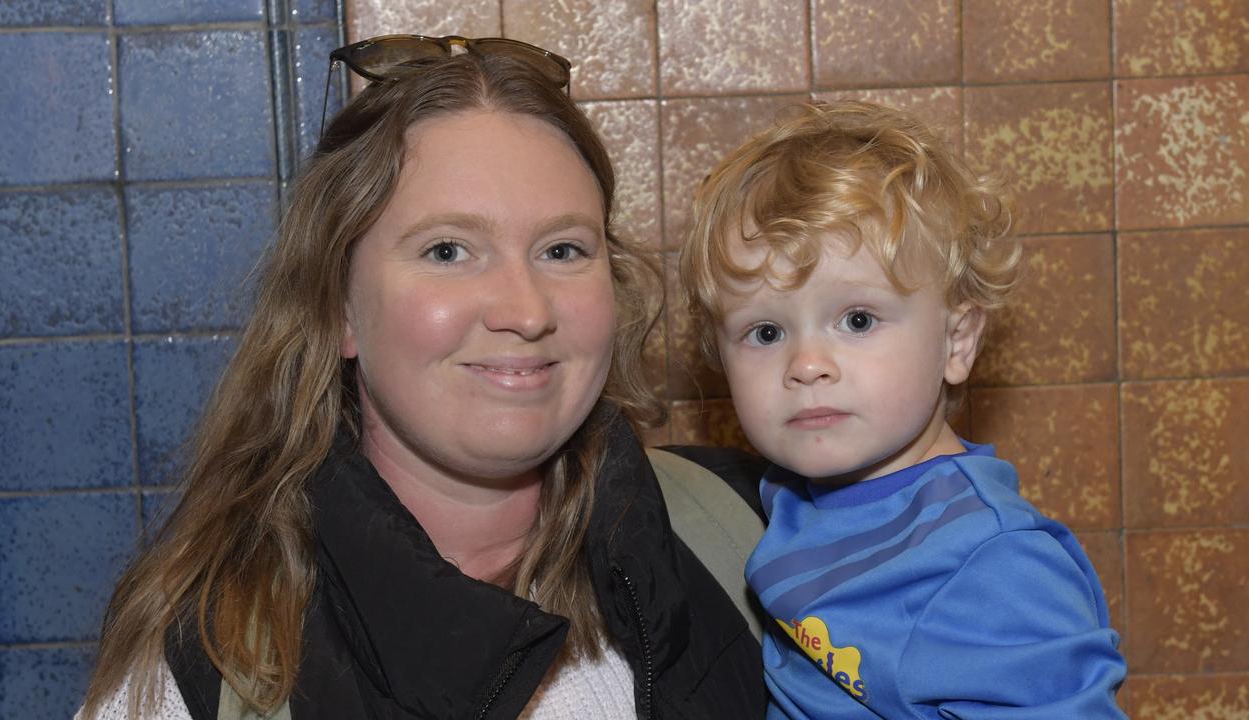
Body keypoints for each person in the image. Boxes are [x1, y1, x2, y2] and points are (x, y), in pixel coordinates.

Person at [78, 35, 764, 720]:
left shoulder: (758, 540)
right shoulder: (205, 674)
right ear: (337, 307)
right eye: (448, 250)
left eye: (562, 249)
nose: (525, 311)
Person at [679, 100, 1127, 718]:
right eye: (764, 333)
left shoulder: (990, 563)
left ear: (956, 341)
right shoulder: (788, 494)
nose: (807, 364)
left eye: (857, 319)